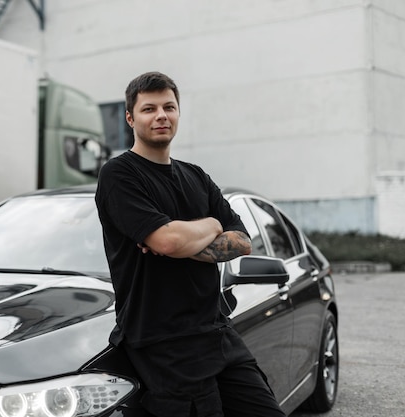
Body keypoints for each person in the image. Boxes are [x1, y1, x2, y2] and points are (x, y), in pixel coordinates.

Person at [95, 71, 286, 417]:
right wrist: (210, 228)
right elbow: (167, 241)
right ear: (130, 118)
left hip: (216, 331)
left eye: (169, 107)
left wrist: (187, 236)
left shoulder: (196, 176)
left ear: (178, 113)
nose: (161, 116)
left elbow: (242, 241)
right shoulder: (119, 175)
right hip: (163, 343)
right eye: (149, 109)